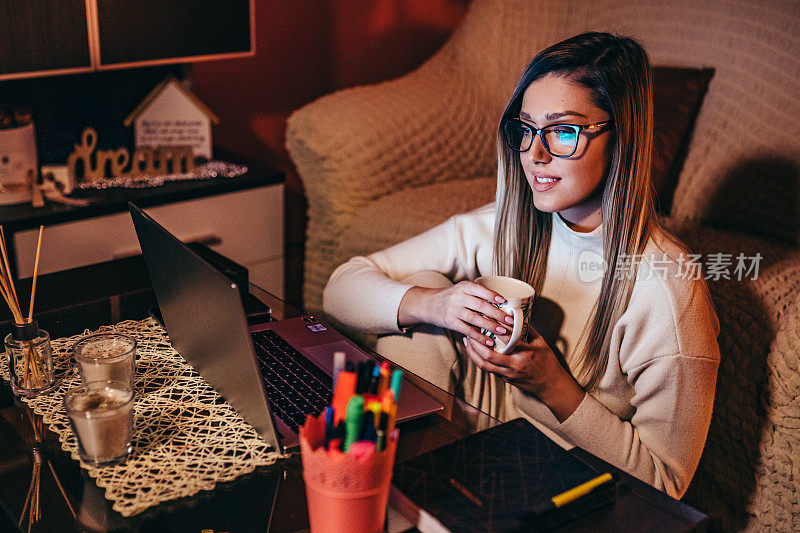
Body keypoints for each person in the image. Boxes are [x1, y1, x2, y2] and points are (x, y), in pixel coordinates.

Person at [322, 32, 720, 499]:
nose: (533, 153)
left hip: (571, 488)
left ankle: (399, 496)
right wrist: (436, 304)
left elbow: (666, 483)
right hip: (474, 450)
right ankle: (394, 489)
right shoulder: (501, 226)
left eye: (563, 131)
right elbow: (339, 289)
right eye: (526, 129)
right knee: (419, 293)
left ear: (622, 138)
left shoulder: (666, 290)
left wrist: (552, 385)